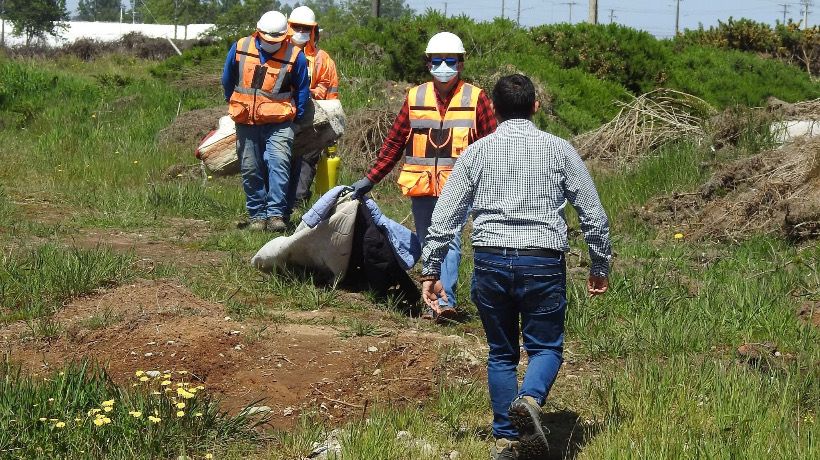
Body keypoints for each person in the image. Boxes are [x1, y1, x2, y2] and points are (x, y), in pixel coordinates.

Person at [419, 74, 612, 459]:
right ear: (535, 106)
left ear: (492, 109)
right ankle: (530, 400)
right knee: (546, 348)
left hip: (491, 260)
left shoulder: (477, 152)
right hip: (542, 260)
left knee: (501, 352)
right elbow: (593, 214)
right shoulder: (559, 150)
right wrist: (600, 264)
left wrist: (431, 269)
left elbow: (445, 217)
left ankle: (508, 436)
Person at [348, 31, 497, 321]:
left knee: (449, 239)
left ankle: (445, 303)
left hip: (459, 185)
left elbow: (492, 144)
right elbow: (394, 143)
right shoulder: (415, 97)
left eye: (450, 61)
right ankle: (435, 299)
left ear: (461, 64)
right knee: (430, 240)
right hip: (422, 184)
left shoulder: (476, 98)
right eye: (438, 61)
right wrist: (371, 179)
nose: (444, 67)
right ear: (428, 64)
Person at [221, 11, 310, 232]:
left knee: (278, 165)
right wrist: (235, 103)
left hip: (279, 122)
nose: (272, 44)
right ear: (258, 31)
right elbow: (227, 79)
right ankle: (257, 217)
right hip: (246, 120)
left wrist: (295, 120)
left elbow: (302, 91)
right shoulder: (241, 47)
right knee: (251, 168)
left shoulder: (295, 55)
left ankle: (276, 215)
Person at [286, 5, 341, 205]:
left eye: (305, 28)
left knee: (307, 159)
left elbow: (331, 94)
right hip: (281, 116)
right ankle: (278, 202)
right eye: (297, 27)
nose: (301, 32)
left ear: (313, 30)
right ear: (289, 26)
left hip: (313, 119)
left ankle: (298, 201)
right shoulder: (278, 53)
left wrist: (330, 129)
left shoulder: (322, 59)